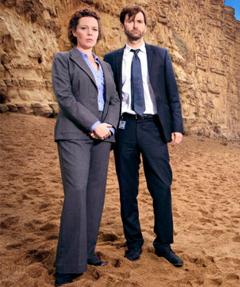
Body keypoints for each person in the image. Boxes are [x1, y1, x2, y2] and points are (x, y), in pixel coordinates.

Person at [104, 5, 184, 267]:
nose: (135, 25)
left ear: (145, 26)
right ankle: (134, 242)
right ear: (123, 25)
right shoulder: (112, 59)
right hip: (125, 127)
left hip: (153, 127)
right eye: (130, 21)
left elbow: (172, 94)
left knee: (161, 186)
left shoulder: (160, 55)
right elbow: (109, 98)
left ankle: (163, 244)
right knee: (128, 189)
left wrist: (177, 126)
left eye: (139, 21)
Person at [52, 8, 120, 286]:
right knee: (77, 193)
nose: (90, 33)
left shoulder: (105, 66)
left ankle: (87, 251)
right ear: (73, 31)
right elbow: (66, 99)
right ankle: (68, 264)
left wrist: (109, 127)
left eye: (94, 29)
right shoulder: (63, 60)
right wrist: (94, 124)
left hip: (103, 138)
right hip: (75, 135)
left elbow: (115, 99)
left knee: (94, 196)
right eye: (84, 28)